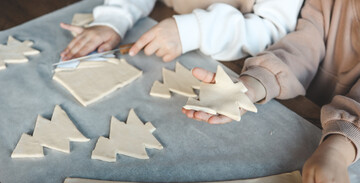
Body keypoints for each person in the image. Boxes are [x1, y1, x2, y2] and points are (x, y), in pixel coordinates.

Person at [183, 0, 360, 183]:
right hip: (307, 120)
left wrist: (338, 150)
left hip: (348, 150)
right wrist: (255, 84)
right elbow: (305, 43)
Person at [60, 0, 303, 62]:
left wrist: (194, 30)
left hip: (239, 69)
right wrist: (114, 17)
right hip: (164, 31)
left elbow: (272, 31)